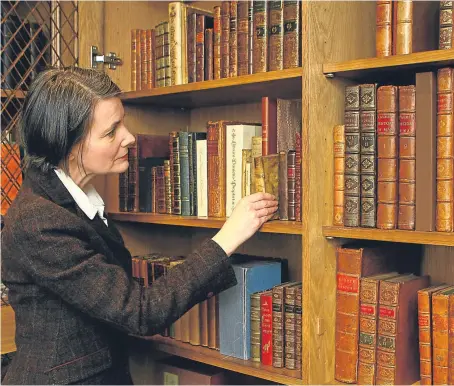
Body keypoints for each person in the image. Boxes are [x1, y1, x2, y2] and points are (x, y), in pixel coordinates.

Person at [1, 67, 278, 385]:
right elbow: (139, 312)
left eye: (123, 122)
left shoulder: (69, 199)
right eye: (111, 131)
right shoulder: (39, 222)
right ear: (69, 145)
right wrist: (228, 237)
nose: (129, 138)